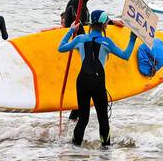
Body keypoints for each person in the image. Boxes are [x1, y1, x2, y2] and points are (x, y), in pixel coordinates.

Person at [58, 9, 138, 147]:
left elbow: (61, 48)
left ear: (91, 24)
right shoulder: (106, 42)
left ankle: (74, 149)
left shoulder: (80, 39)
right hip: (97, 82)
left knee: (83, 119)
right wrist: (132, 39)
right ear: (104, 25)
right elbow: (125, 55)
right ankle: (105, 150)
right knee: (103, 119)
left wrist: (71, 31)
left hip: (82, 81)